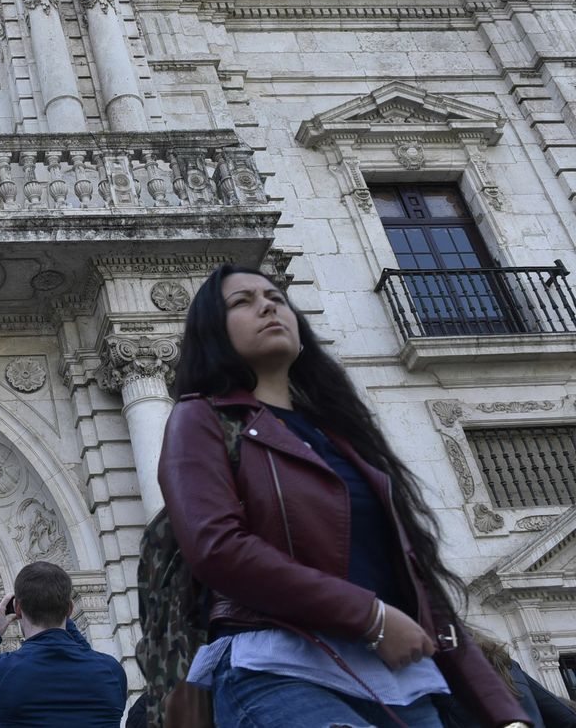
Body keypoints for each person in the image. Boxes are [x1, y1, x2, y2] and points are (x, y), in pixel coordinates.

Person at [158, 264, 528, 728]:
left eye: (276, 296)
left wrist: (506, 716)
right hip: (279, 671)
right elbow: (217, 548)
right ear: (213, 332)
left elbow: (421, 589)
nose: (268, 305)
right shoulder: (200, 419)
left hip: (399, 685)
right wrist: (369, 616)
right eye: (242, 301)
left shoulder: (343, 438)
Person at [0, 560, 127, 727]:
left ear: (18, 609)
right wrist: (61, 614)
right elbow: (87, 657)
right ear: (70, 609)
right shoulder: (112, 671)